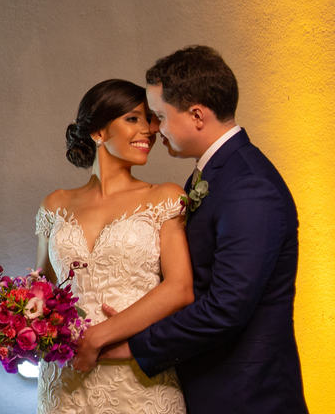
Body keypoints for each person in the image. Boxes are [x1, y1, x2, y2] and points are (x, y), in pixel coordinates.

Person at [84, 46, 308, 413]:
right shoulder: (215, 174)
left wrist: (134, 345)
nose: (153, 129)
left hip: (247, 396)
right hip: (209, 386)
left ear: (197, 115)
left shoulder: (249, 186)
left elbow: (226, 308)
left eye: (159, 116)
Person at [35, 79, 192, 414]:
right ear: (98, 132)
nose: (149, 130)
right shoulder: (54, 205)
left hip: (138, 382)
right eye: (133, 118)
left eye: (150, 119)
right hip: (65, 383)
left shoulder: (165, 197)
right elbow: (41, 288)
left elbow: (179, 289)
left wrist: (99, 336)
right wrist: (15, 324)